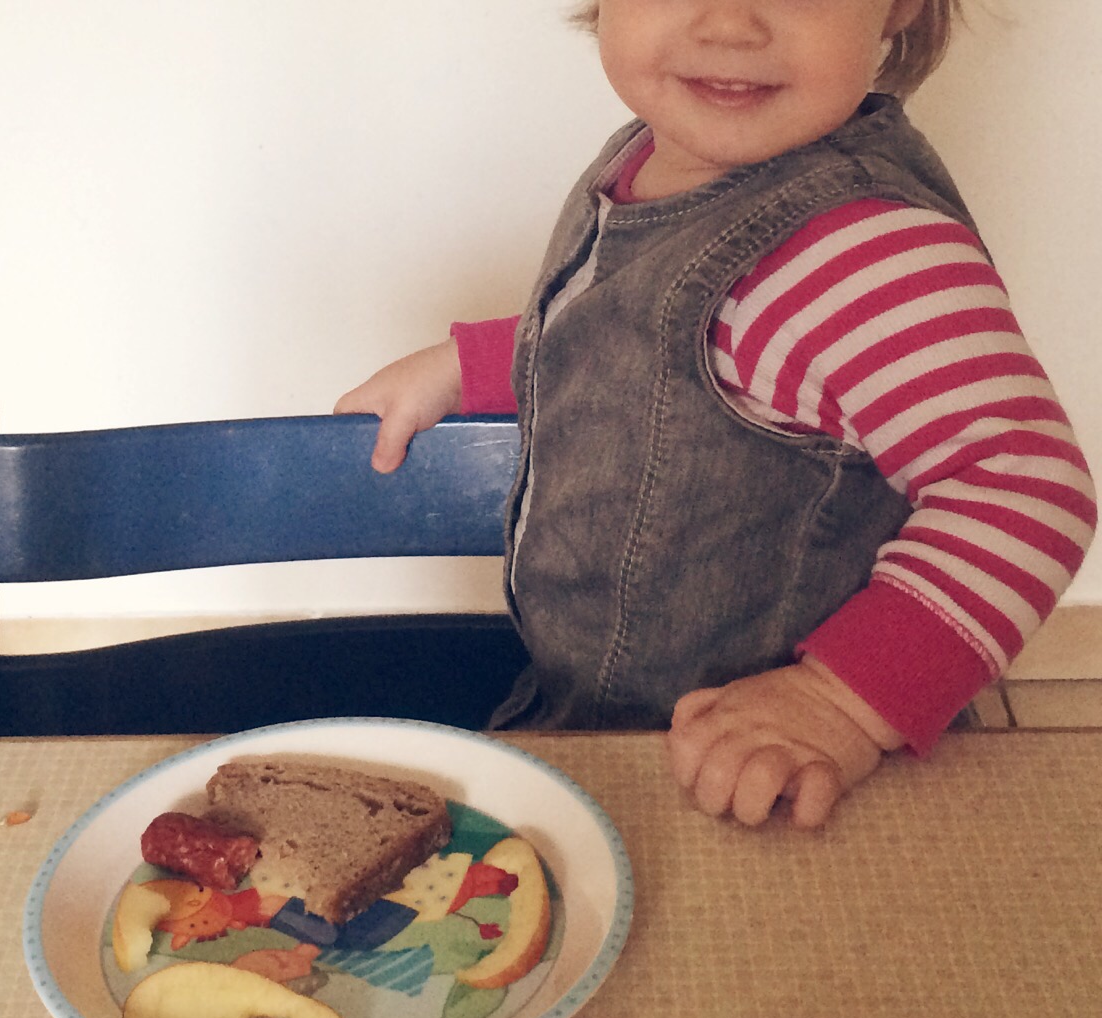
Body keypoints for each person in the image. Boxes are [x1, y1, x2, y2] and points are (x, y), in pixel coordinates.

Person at [335, 0, 1095, 828]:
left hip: (768, 774)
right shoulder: (654, 155)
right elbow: (634, 331)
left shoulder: (860, 250)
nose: (731, 24)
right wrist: (475, 366)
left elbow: (1025, 487)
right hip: (600, 717)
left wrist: (840, 702)